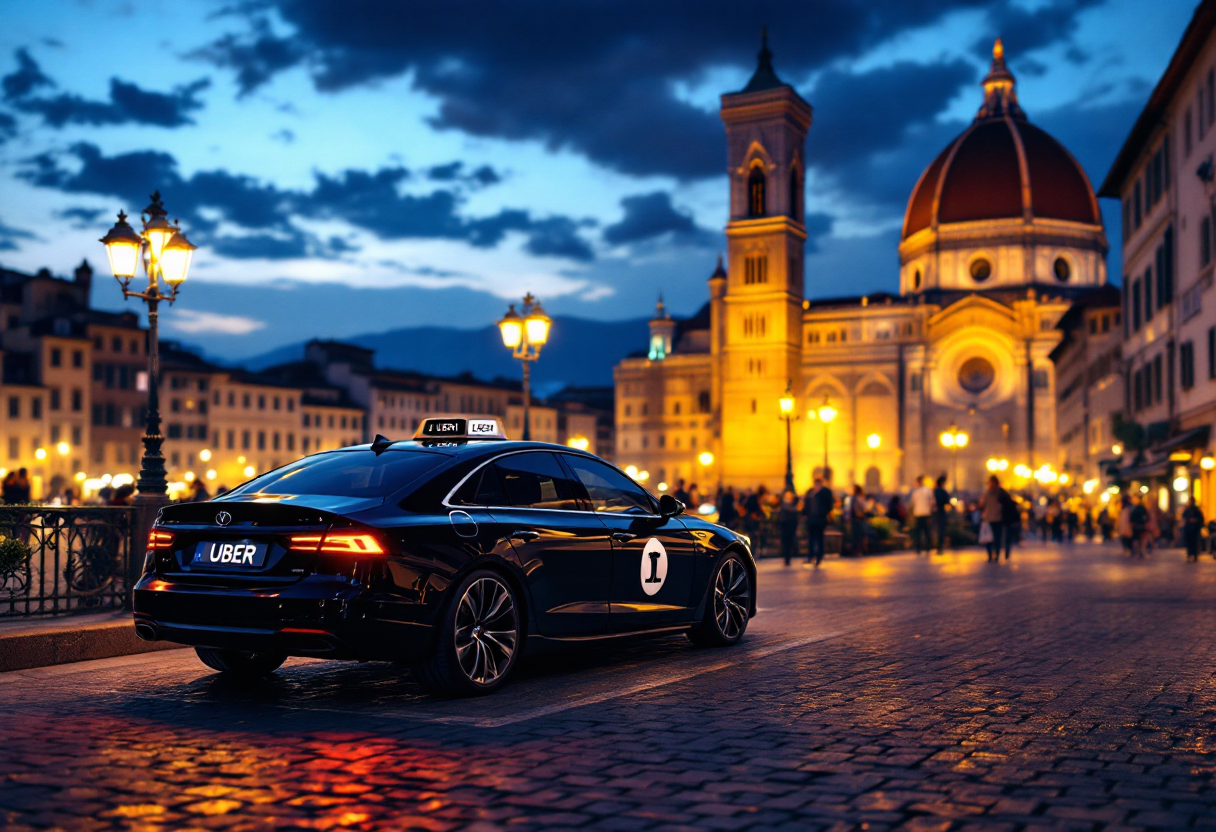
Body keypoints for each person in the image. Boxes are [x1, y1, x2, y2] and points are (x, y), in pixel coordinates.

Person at [802, 477, 834, 566]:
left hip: (820, 518)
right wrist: (805, 514)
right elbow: (806, 503)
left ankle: (819, 556)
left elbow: (829, 505)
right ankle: (811, 555)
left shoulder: (825, 492)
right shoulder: (810, 492)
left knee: (819, 537)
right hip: (811, 518)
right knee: (811, 538)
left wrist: (825, 513)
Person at [979, 476, 1005, 562]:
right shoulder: (1000, 492)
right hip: (997, 518)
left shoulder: (988, 493)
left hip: (990, 518)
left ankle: (992, 555)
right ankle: (995, 554)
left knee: (989, 538)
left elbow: (982, 504)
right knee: (996, 537)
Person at [909, 475, 935, 556]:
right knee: (927, 531)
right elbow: (932, 502)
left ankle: (918, 549)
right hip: (926, 513)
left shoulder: (915, 492)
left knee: (918, 532)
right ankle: (928, 548)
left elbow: (912, 502)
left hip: (918, 514)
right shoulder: (928, 490)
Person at [778, 489, 801, 566]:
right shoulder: (785, 506)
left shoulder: (792, 505)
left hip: (790, 526)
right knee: (786, 542)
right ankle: (786, 558)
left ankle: (788, 558)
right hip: (785, 526)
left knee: (789, 542)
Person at [933, 475, 951, 553]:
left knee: (936, 530)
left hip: (935, 513)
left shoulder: (934, 491)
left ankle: (938, 547)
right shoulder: (943, 491)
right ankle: (940, 547)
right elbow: (947, 501)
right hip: (941, 512)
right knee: (941, 530)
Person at [849, 484, 868, 555]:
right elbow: (858, 510)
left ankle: (857, 550)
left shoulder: (855, 498)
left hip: (856, 519)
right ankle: (857, 550)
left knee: (857, 535)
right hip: (857, 519)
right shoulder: (856, 498)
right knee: (857, 535)